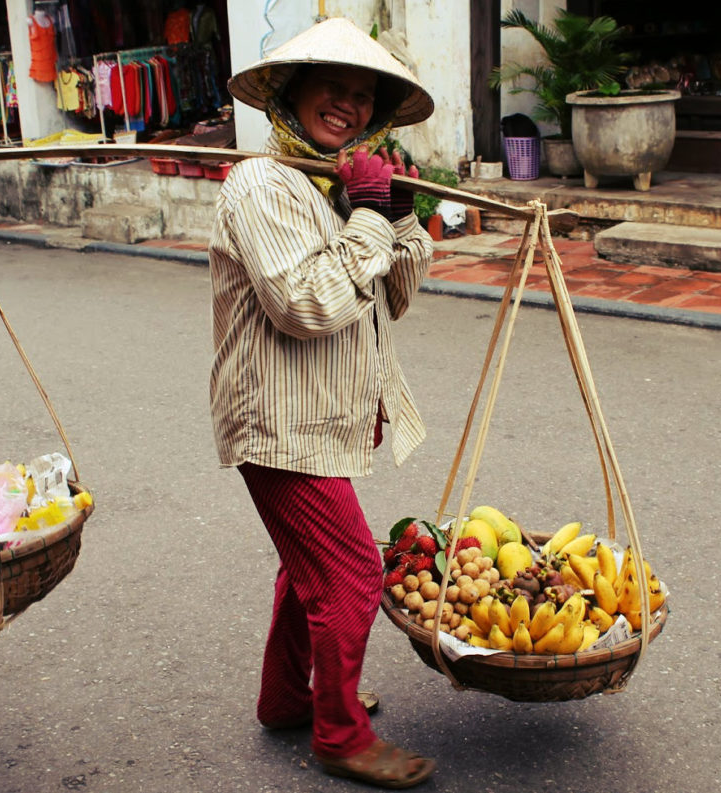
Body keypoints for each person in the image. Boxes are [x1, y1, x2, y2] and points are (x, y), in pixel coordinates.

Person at [209, 17, 436, 790]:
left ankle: (286, 699)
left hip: (324, 417)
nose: (345, 105)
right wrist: (368, 217)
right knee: (350, 577)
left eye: (361, 97)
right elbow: (305, 304)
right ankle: (339, 731)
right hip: (278, 423)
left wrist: (397, 214)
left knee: (304, 570)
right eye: (330, 88)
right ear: (291, 94)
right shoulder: (259, 185)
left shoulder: (340, 187)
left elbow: (392, 298)